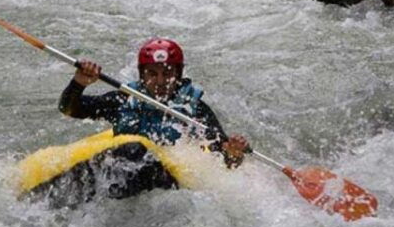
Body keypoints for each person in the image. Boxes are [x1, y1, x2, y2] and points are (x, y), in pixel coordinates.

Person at [58, 38, 250, 168]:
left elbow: (224, 161)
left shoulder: (195, 109)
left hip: (165, 176)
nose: (159, 81)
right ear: (142, 74)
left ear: (178, 75)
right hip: (125, 166)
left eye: (167, 74)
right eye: (152, 74)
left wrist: (234, 153)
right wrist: (78, 83)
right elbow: (67, 109)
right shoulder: (123, 99)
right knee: (132, 149)